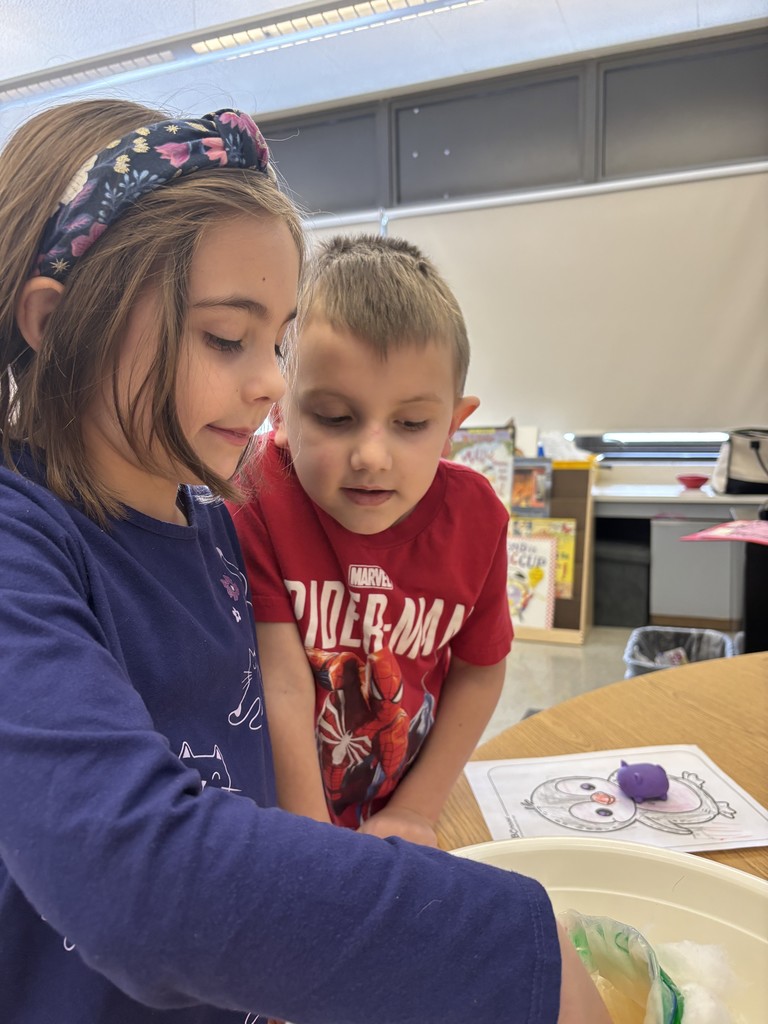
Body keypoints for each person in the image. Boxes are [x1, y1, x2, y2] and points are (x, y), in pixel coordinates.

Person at [0, 98, 610, 1024]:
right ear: (55, 320)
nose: (275, 381)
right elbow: (138, 878)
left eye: (277, 338)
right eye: (224, 337)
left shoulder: (208, 517)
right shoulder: (20, 546)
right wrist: (503, 947)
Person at [230, 235, 513, 849]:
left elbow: (480, 673)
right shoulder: (257, 496)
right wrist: (314, 843)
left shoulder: (478, 519)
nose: (372, 456)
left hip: (403, 798)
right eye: (334, 416)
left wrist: (418, 807)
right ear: (281, 413)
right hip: (279, 815)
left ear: (452, 427)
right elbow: (278, 680)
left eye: (412, 424)